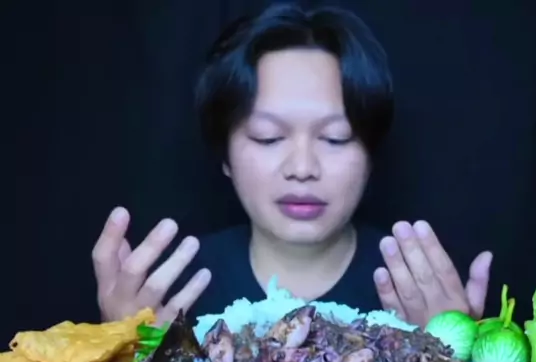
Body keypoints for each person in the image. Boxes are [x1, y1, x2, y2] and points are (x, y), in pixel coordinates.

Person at [91, 3, 493, 328]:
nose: (302, 168)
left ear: (371, 154)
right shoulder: (163, 296)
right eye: (268, 137)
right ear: (224, 154)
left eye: (336, 138)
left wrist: (456, 361)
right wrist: (120, 353)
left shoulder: (426, 296)